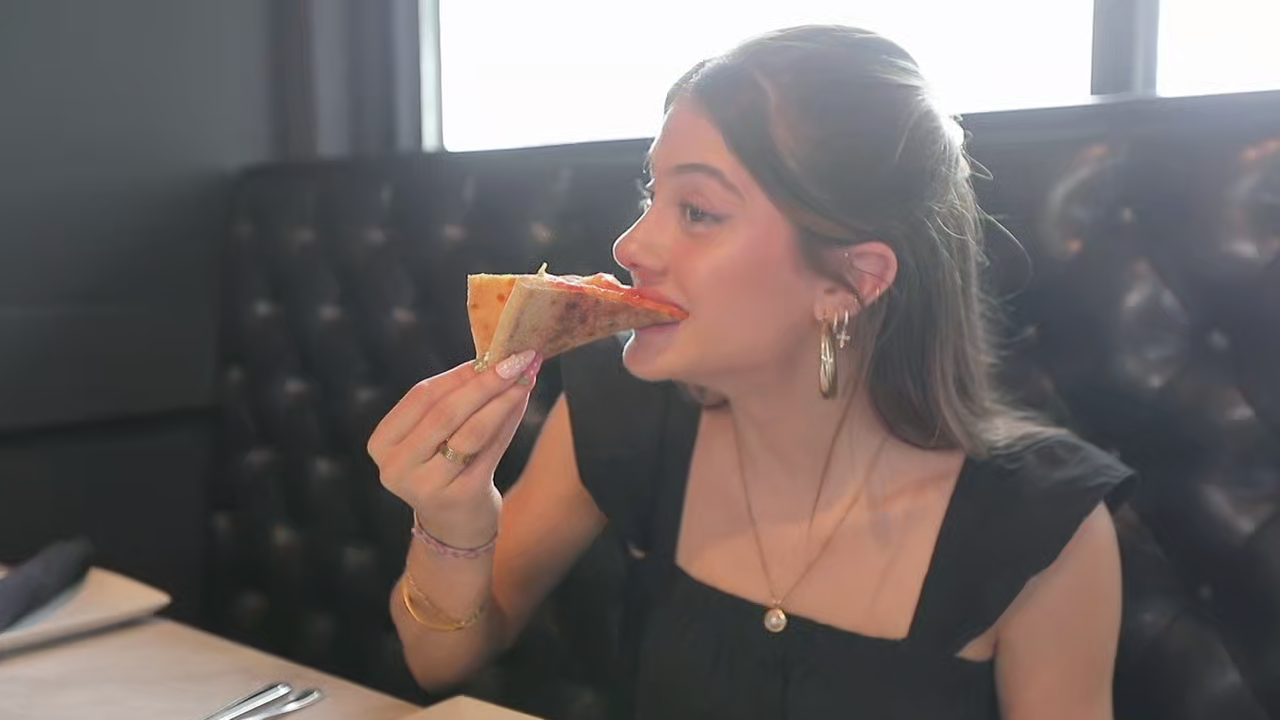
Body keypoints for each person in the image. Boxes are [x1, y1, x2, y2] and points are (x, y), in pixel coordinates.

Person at [368, 25, 1135, 720]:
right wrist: (454, 521)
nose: (631, 245)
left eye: (698, 211)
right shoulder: (625, 413)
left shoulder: (1042, 530)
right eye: (652, 193)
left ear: (853, 280)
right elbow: (440, 663)